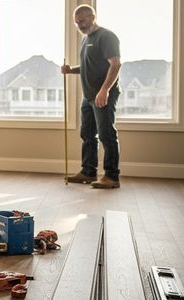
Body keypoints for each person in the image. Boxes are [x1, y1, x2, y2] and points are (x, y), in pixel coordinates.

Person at [61, 4, 122, 189]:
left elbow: (116, 65)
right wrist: (71, 70)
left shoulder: (106, 36)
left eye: (82, 20)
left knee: (106, 134)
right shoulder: (85, 40)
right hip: (88, 96)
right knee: (87, 134)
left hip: (103, 95)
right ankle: (88, 172)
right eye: (76, 22)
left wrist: (104, 90)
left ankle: (112, 177)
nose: (79, 25)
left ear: (92, 17)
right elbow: (89, 67)